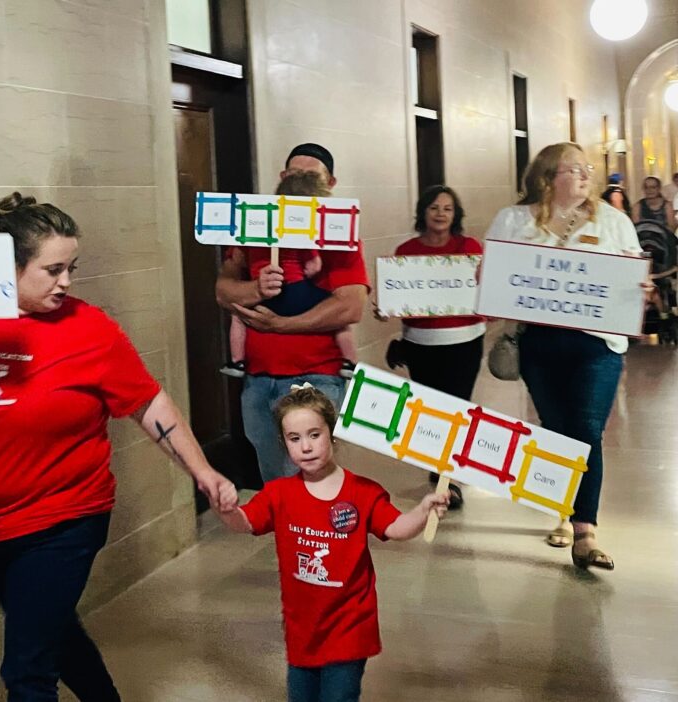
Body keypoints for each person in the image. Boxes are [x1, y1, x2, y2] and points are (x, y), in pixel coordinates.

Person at [0, 192, 238, 701]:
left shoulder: (88, 328)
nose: (66, 281)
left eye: (71, 267)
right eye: (52, 270)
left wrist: (201, 471)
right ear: (10, 266)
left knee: (27, 670)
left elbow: (149, 404)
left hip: (66, 517)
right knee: (55, 634)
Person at [213, 385, 450, 702]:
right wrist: (225, 508)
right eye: (294, 439)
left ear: (332, 434)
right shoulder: (279, 494)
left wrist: (422, 511)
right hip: (302, 628)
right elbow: (244, 523)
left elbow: (395, 528)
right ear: (283, 443)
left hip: (349, 625)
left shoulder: (362, 492)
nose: (306, 447)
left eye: (314, 434)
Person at [487, 143, 651, 571]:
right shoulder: (514, 219)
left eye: (586, 169)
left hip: (597, 344)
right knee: (556, 428)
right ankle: (561, 509)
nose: (583, 175)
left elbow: (634, 276)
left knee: (586, 427)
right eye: (572, 169)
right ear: (546, 176)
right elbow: (494, 274)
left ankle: (585, 531)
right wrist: (490, 278)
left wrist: (642, 290)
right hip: (540, 342)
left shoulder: (613, 221)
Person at [216, 143, 369, 483]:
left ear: (330, 182)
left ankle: (314, 535)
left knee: (305, 476)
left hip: (315, 379)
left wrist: (281, 324)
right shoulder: (255, 225)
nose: (300, 181)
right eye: (294, 174)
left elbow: (351, 306)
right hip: (258, 381)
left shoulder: (338, 234)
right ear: (282, 178)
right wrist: (257, 289)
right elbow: (224, 290)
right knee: (275, 479)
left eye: (310, 175)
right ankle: (289, 535)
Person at [383, 185, 484, 510]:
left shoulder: (469, 248)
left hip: (465, 342)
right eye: (434, 208)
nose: (441, 214)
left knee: (457, 409)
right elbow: (397, 300)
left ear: (456, 215)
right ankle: (437, 466)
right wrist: (386, 307)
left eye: (448, 208)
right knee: (430, 411)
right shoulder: (406, 251)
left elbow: (484, 293)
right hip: (420, 343)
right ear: (423, 212)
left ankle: (448, 480)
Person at [222, 170, 358, 380]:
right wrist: (310, 271)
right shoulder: (302, 231)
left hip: (265, 300)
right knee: (339, 320)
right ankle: (350, 362)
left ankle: (236, 361)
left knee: (237, 316)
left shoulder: (255, 230)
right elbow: (314, 266)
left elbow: (238, 263)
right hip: (294, 291)